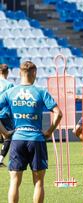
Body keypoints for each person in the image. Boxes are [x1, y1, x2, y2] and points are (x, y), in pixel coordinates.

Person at [0, 61, 62, 203]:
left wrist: (5, 133)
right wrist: (49, 132)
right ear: (34, 73)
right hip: (36, 140)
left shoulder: (10, 92)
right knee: (39, 182)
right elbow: (58, 113)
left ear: (20, 74)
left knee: (14, 182)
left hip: (17, 139)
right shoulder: (41, 92)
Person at [0, 64, 15, 167]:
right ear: (7, 72)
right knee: (8, 136)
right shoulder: (9, 85)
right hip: (4, 113)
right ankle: (0, 159)